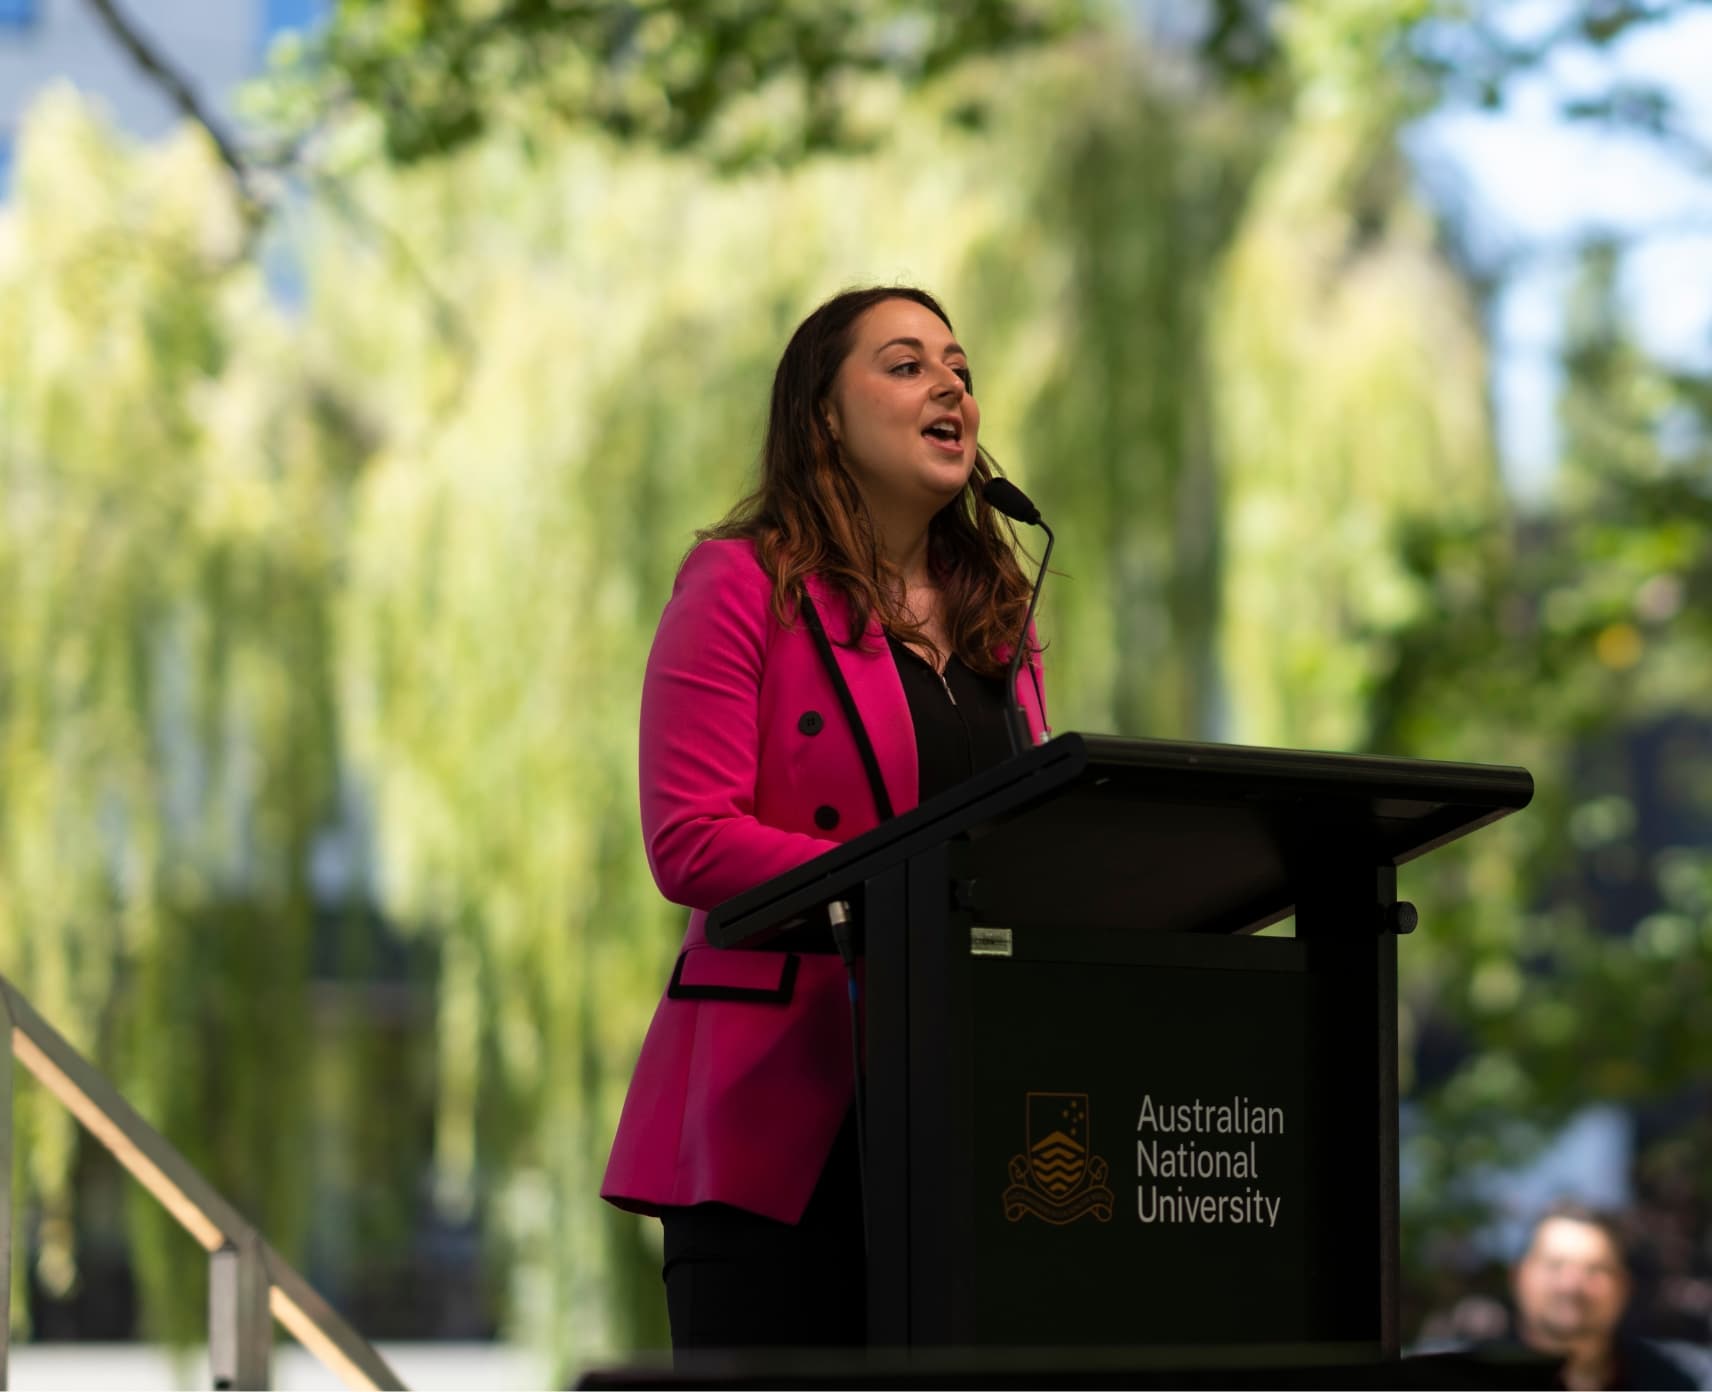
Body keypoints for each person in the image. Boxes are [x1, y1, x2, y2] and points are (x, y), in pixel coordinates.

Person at [600, 286, 1049, 1354]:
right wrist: (908, 883)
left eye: (959, 367)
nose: (949, 385)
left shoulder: (1000, 617)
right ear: (822, 419)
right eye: (903, 365)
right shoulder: (739, 583)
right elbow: (690, 838)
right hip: (778, 1119)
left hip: (963, 1117)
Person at [1507, 1201, 1706, 1390]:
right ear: (1518, 1276)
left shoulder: (1674, 1382)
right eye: (1554, 1266)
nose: (1571, 1285)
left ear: (1623, 1287)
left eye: (1594, 1270)